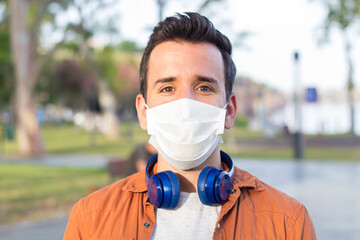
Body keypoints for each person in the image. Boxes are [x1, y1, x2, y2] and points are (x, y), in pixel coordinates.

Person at [64, 12, 316, 239]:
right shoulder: (90, 220)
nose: (185, 103)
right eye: (167, 88)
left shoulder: (287, 223)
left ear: (229, 111)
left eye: (204, 87)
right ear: (143, 112)